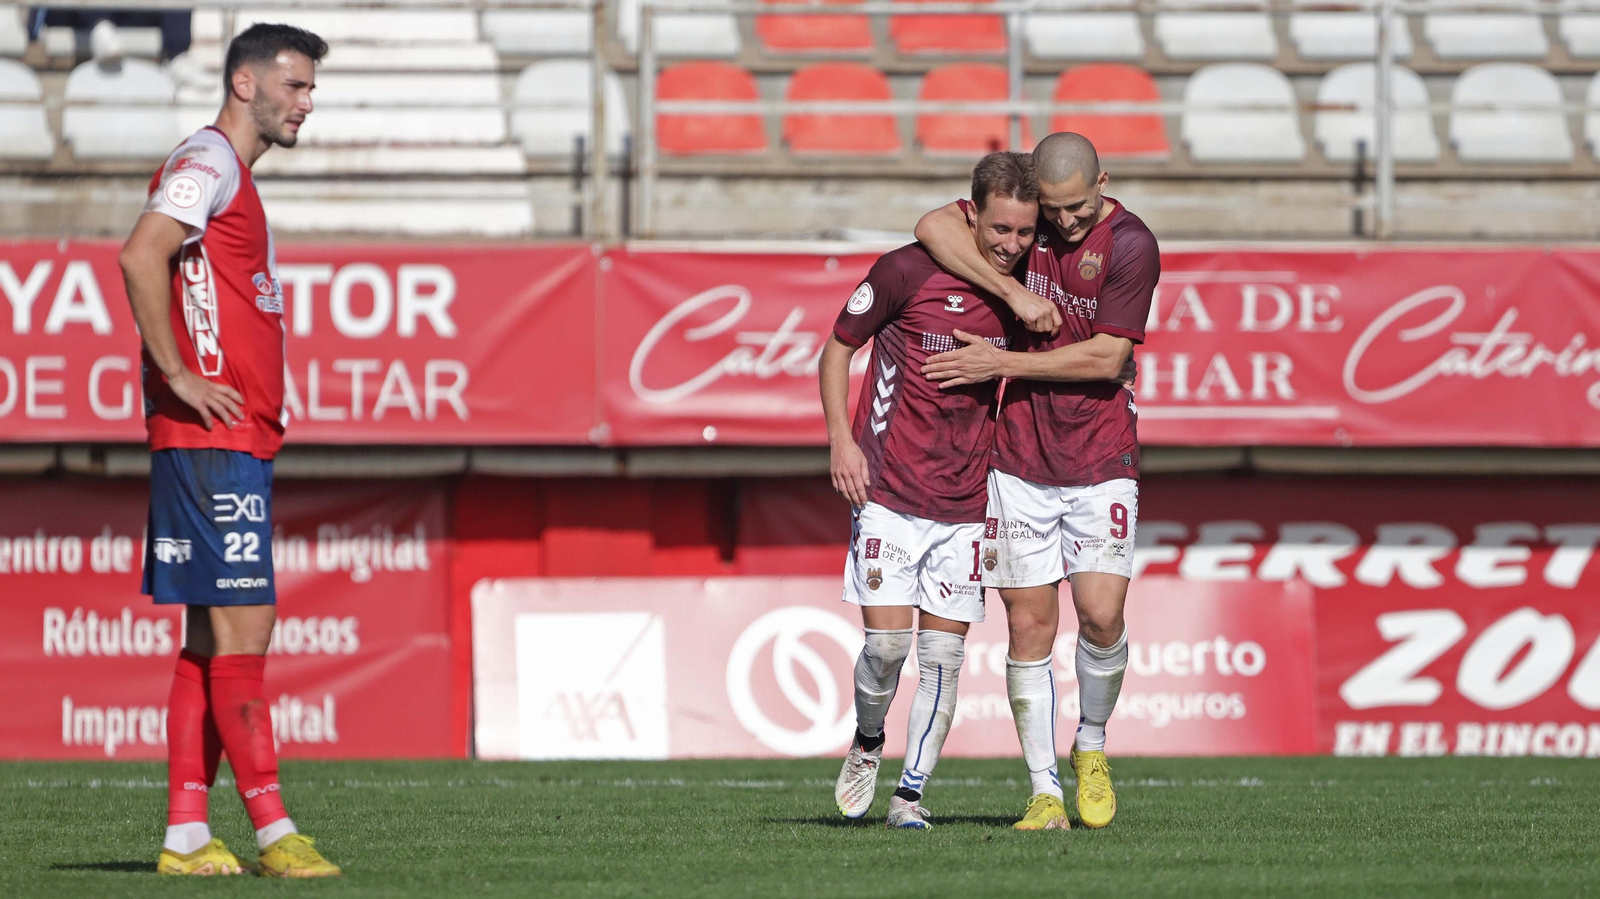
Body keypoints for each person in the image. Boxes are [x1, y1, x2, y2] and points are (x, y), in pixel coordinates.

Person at [119, 23, 340, 878]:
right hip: (212, 440)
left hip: (222, 442)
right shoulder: (208, 161)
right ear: (246, 84)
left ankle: (184, 835)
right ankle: (276, 830)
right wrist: (177, 374)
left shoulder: (227, 173)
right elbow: (142, 253)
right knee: (245, 628)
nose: (306, 103)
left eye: (311, 88)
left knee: (212, 640)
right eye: (295, 85)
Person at [914, 132, 1160, 831]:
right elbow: (932, 225)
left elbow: (1108, 358)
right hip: (1018, 461)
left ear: (1103, 182)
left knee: (1104, 614)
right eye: (1056, 209)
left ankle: (1091, 744)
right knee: (1028, 625)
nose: (1067, 222)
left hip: (1100, 457)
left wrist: (1002, 363)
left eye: (1079, 207)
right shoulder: (1030, 228)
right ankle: (1044, 788)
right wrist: (1010, 293)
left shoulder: (1131, 244)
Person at [822, 152, 1039, 829]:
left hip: (963, 505)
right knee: (885, 650)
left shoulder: (1027, 287)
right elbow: (837, 349)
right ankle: (867, 740)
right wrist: (840, 438)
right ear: (969, 215)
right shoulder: (905, 269)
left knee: (942, 659)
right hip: (887, 488)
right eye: (1000, 229)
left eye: (1024, 234)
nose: (1011, 245)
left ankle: (910, 794)